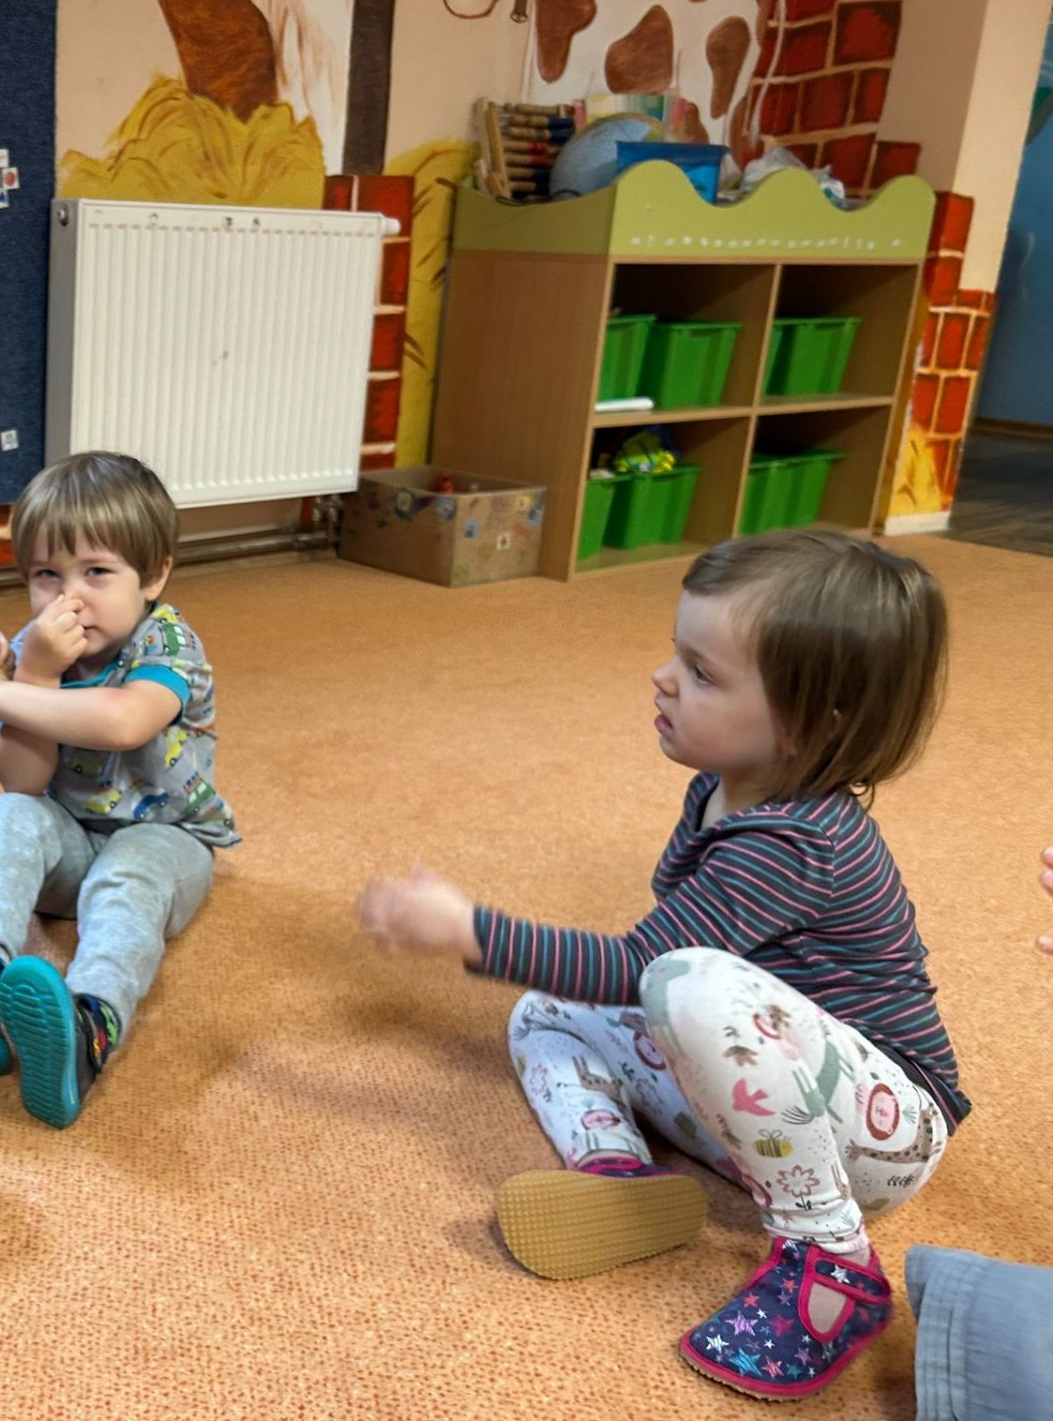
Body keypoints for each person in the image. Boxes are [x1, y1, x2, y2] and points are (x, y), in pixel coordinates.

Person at [357, 530, 968, 1402]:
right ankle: (620, 1173)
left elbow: (643, 966)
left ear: (811, 723)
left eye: (703, 673)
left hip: (881, 1134)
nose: (663, 678)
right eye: (678, 655)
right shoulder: (719, 788)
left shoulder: (799, 843)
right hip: (775, 1097)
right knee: (546, 1011)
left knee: (682, 981)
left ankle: (832, 1259)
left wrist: (469, 930)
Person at [0, 452, 237, 1127]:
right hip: (73, 845)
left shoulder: (167, 641)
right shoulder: (38, 647)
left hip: (168, 842)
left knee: (130, 873)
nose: (69, 598)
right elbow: (22, 781)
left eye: (97, 572)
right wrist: (36, 676)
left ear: (154, 575)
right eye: (47, 575)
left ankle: (88, 1026)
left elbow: (125, 721)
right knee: (5, 814)